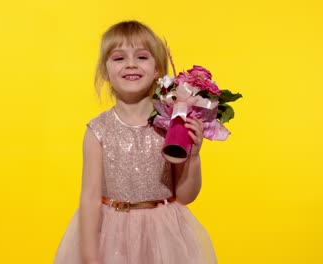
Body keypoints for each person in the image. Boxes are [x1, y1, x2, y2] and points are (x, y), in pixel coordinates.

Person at [54, 20, 217, 264]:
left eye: (141, 57)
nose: (131, 63)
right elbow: (89, 198)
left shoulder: (170, 125)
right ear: (104, 72)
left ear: (157, 71)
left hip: (163, 237)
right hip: (112, 237)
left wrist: (193, 157)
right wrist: (89, 257)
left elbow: (184, 196)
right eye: (119, 58)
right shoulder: (98, 130)